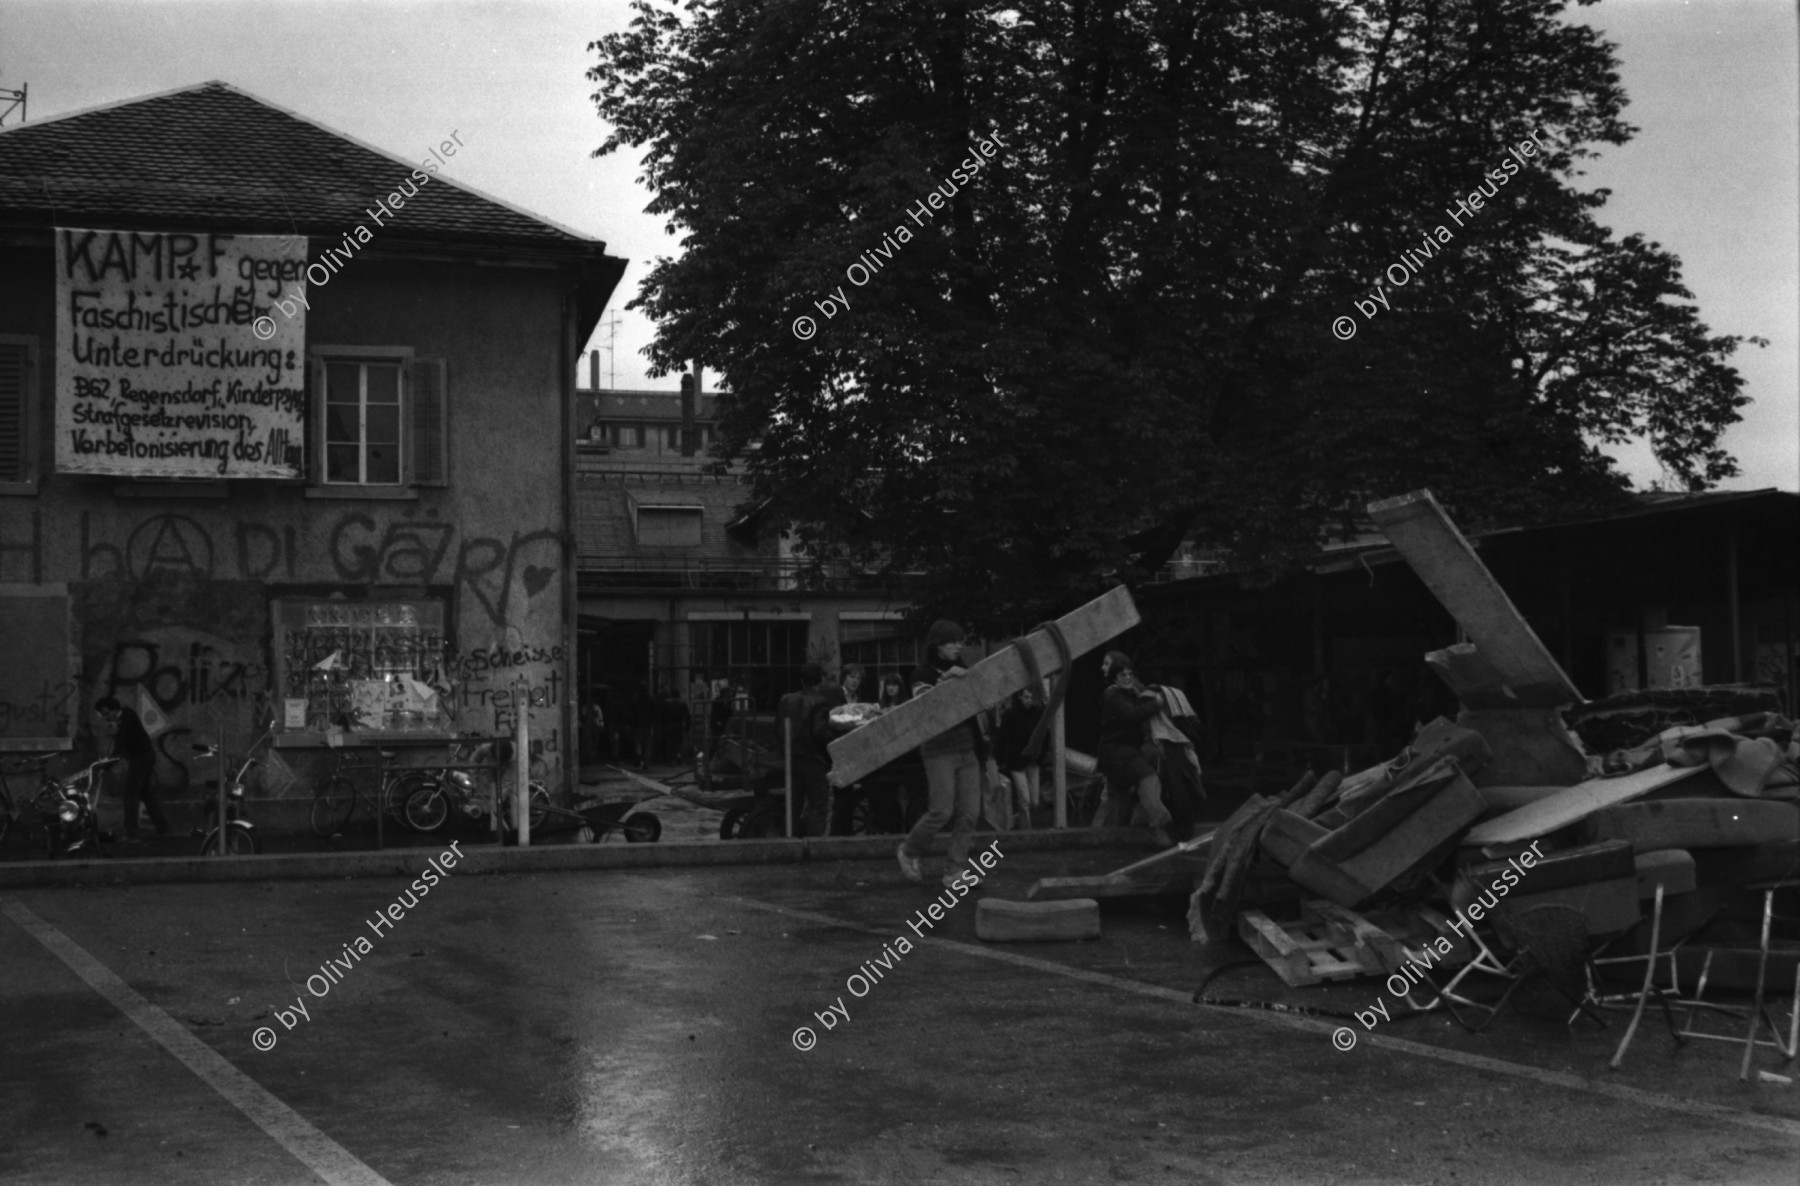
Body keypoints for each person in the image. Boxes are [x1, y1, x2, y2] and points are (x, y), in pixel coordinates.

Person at [896, 620, 988, 887]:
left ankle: (954, 870)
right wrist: (945, 679)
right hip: (938, 750)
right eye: (953, 641)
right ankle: (909, 850)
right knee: (941, 811)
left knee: (970, 813)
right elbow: (927, 707)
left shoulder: (964, 669)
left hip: (967, 747)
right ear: (937, 645)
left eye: (960, 640)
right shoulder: (921, 674)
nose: (959, 645)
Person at [1097, 651, 1176, 849]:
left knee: (1117, 801)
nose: (1127, 678)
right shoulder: (1112, 695)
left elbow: (1144, 692)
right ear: (1115, 676)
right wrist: (1157, 704)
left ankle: (1113, 840)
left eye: (1130, 674)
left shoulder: (1131, 690)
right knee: (1148, 778)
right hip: (1118, 753)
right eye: (1122, 675)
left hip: (1123, 753)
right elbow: (1132, 714)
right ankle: (1160, 822)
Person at [94, 696, 168, 842]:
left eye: (107, 714)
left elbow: (119, 748)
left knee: (130, 795)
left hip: (141, 759)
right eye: (103, 715)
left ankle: (132, 833)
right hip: (144, 757)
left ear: (115, 709)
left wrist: (105, 767)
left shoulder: (125, 720)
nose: (106, 718)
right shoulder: (126, 715)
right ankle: (163, 827)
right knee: (145, 793)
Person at [777, 662, 836, 837]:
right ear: (820, 680)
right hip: (813, 760)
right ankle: (813, 845)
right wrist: (835, 744)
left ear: (802, 680)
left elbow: (779, 728)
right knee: (818, 805)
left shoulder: (786, 699)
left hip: (791, 758)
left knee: (793, 804)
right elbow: (820, 732)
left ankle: (793, 840)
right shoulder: (820, 701)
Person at [995, 685, 1045, 830]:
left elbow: (1044, 736)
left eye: (1031, 697)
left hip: (1031, 760)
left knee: (1034, 801)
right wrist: (1001, 760)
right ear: (1020, 698)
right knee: (1025, 799)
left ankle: (1019, 821)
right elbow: (1002, 738)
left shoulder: (1037, 713)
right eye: (1026, 697)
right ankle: (1026, 830)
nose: (1029, 701)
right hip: (1017, 760)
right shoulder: (1011, 715)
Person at [629, 682, 658, 768]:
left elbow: (631, 712)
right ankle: (646, 762)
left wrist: (632, 723)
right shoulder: (651, 698)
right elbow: (655, 711)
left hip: (638, 724)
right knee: (647, 744)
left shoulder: (635, 698)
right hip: (648, 724)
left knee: (638, 742)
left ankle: (638, 754)